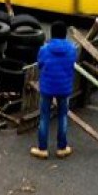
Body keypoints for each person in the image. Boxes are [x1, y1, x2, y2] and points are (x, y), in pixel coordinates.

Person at [30, 21, 78, 160]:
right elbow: (72, 63)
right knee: (63, 116)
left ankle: (42, 149)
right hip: (64, 87)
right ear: (65, 34)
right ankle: (62, 148)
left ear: (52, 33)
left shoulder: (44, 49)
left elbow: (40, 64)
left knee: (44, 116)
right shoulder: (71, 49)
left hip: (47, 87)